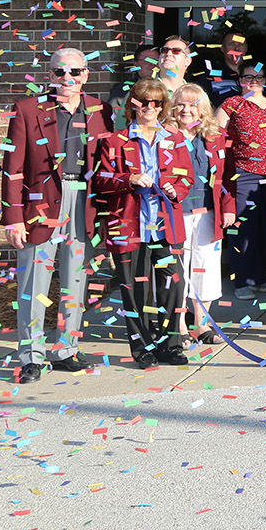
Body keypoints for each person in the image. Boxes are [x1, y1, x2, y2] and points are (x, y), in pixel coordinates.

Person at [0, 47, 113, 383]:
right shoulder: (26, 110)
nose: (67, 79)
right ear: (49, 75)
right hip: (40, 206)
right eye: (59, 72)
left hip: (83, 202)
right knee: (34, 284)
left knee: (76, 282)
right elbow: (12, 168)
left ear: (86, 75)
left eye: (74, 72)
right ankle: (31, 357)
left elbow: (106, 164)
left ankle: (66, 349)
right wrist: (13, 217)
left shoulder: (100, 110)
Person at [93, 78, 194, 367]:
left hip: (166, 225)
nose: (150, 107)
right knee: (136, 290)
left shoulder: (174, 139)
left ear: (163, 106)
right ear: (132, 105)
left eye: (157, 102)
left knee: (174, 284)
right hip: (128, 224)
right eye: (144, 102)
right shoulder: (115, 140)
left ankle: (171, 345)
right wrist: (129, 179)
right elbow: (101, 181)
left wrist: (177, 188)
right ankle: (143, 348)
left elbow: (186, 176)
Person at [166, 83, 236, 346]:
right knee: (179, 270)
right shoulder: (165, 137)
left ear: (203, 108)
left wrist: (229, 207)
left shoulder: (215, 136)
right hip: (176, 214)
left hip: (208, 212)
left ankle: (201, 323)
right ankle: (180, 326)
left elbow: (228, 174)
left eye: (193, 104)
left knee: (205, 268)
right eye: (181, 104)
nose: (186, 110)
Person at [217, 62, 266, 299]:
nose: (254, 82)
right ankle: (242, 280)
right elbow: (215, 134)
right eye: (248, 77)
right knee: (243, 227)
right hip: (243, 173)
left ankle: (261, 276)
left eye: (259, 77)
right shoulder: (232, 104)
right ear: (239, 79)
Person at [206, 33, 250, 104]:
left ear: (246, 49)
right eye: (231, 44)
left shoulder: (256, 76)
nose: (236, 48)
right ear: (223, 48)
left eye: (241, 44)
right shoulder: (210, 76)